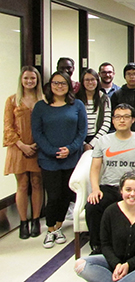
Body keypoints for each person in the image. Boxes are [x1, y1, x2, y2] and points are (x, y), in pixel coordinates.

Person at [85, 103, 135, 254]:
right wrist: (95, 189)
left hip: (133, 189)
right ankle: (98, 247)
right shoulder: (103, 141)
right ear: (113, 120)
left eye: (126, 117)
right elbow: (95, 168)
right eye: (118, 117)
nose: (122, 120)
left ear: (133, 120)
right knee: (93, 206)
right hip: (110, 186)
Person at [32, 71, 87, 248]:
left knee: (65, 195)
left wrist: (70, 149)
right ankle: (50, 229)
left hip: (71, 158)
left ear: (69, 86)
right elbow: (37, 133)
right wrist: (52, 151)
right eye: (56, 83)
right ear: (50, 85)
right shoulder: (41, 106)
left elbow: (82, 131)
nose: (59, 86)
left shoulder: (77, 105)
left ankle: (58, 226)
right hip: (49, 158)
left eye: (63, 83)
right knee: (53, 195)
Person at [75, 171, 135, 282]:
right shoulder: (110, 211)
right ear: (121, 191)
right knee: (80, 264)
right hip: (116, 260)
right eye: (128, 190)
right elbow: (105, 244)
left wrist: (128, 265)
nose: (132, 194)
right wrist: (116, 264)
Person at [4, 66, 43, 239]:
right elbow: (7, 127)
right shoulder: (12, 100)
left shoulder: (42, 100)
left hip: (38, 146)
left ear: (37, 80)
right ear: (21, 79)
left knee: (36, 183)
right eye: (26, 78)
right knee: (22, 185)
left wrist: (36, 143)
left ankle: (35, 220)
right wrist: (22, 145)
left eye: (33, 78)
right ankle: (23, 222)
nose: (29, 81)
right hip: (18, 147)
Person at [75, 68, 111, 151]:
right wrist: (83, 143)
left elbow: (106, 123)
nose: (90, 82)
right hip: (78, 141)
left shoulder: (104, 98)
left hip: (98, 141)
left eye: (92, 79)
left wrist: (92, 144)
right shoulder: (76, 99)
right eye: (87, 80)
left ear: (97, 81)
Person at [111, 63, 135, 136]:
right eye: (128, 74)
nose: (132, 77)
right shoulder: (117, 94)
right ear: (125, 76)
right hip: (121, 133)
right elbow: (113, 115)